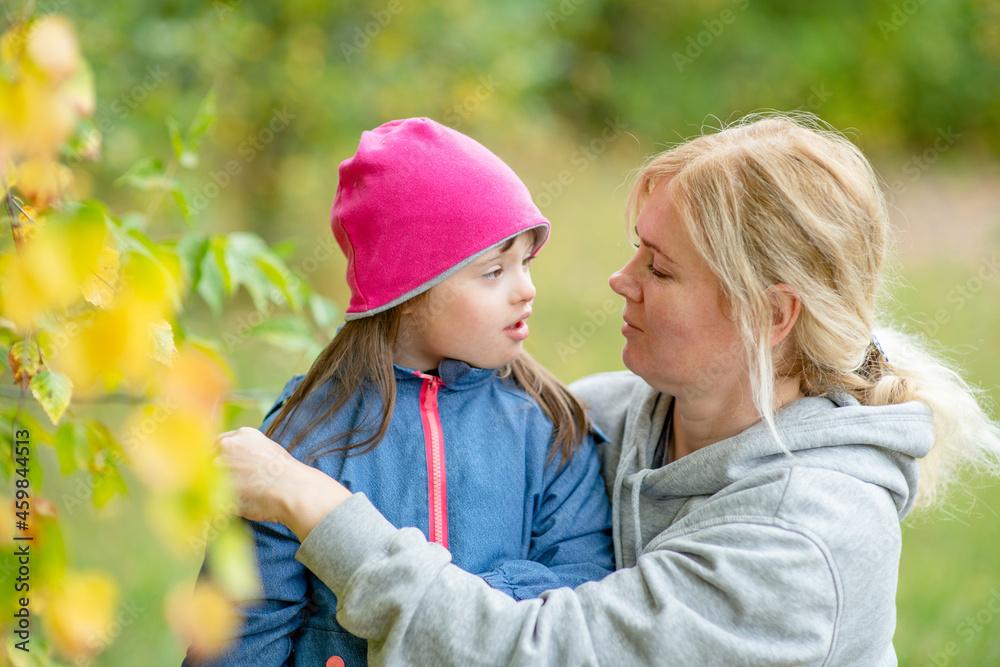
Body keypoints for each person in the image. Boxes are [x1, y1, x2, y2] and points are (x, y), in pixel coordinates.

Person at [216, 113, 1000, 665]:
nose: (620, 280)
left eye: (659, 268)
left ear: (770, 313)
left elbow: (540, 654)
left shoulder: (807, 543)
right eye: (636, 251)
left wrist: (315, 506)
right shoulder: (603, 419)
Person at [187, 118, 615, 666]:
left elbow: (582, 595)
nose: (526, 289)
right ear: (408, 293)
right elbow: (239, 632)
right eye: (493, 271)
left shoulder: (550, 425)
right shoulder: (303, 439)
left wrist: (450, 597)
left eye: (526, 262)